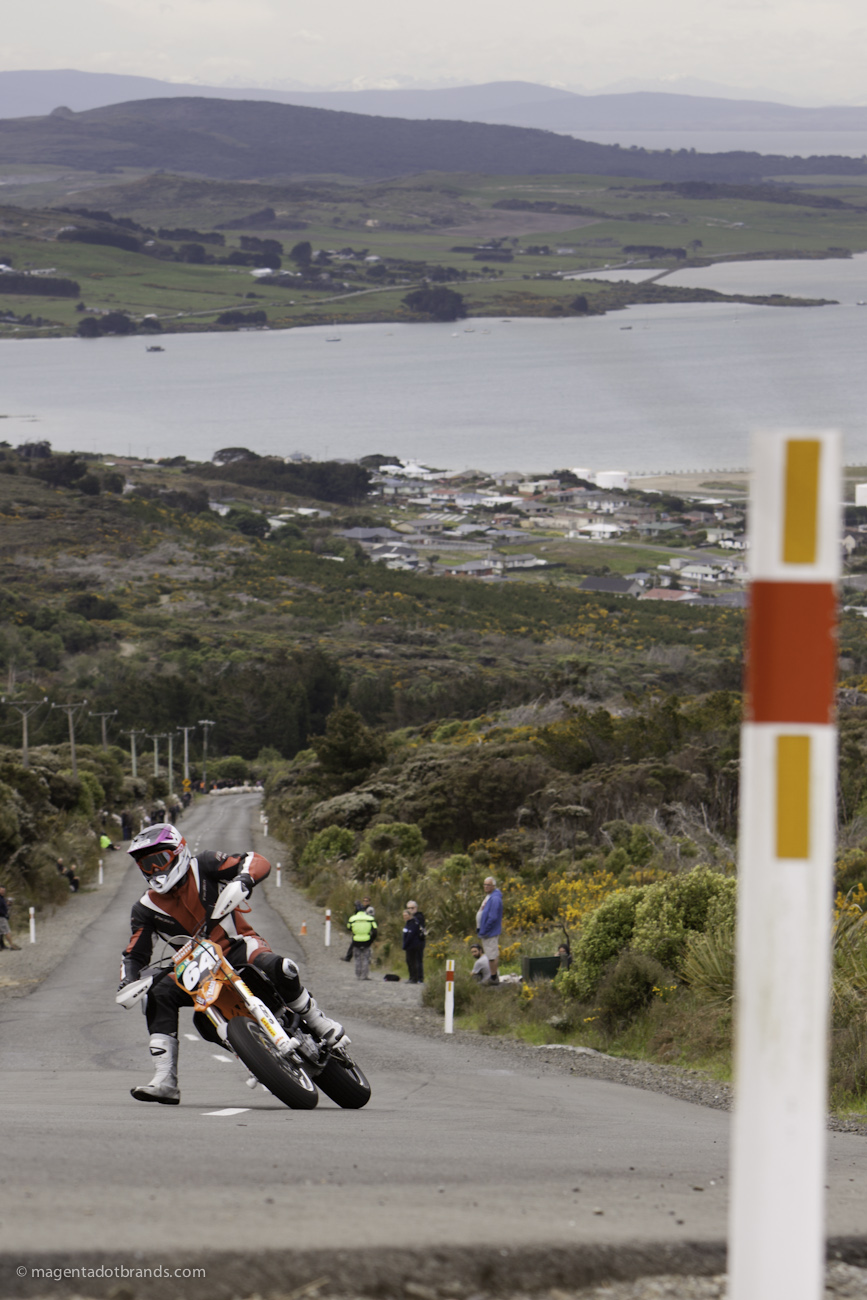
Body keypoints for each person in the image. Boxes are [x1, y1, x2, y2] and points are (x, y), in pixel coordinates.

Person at [119, 822, 346, 1105]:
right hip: (195, 970)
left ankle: (317, 1021)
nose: (154, 870)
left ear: (178, 852)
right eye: (145, 865)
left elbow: (254, 860)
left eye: (158, 860)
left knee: (279, 967)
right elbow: (135, 951)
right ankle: (166, 1079)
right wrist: (129, 978)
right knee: (158, 994)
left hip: (237, 947)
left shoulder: (204, 865)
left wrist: (244, 879)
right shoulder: (145, 907)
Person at [476, 875, 503, 983]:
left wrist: (485, 930)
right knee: (490, 954)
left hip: (489, 932)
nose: (486, 887)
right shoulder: (489, 896)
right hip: (486, 931)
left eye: (488, 885)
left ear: (493, 886)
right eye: (485, 884)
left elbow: (493, 917)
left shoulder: (495, 898)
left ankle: (493, 977)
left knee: (492, 955)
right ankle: (493, 975)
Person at [346, 901, 378, 981]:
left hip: (356, 940)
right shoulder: (370, 919)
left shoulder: (352, 918)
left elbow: (348, 927)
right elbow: (375, 930)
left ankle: (358, 975)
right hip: (366, 940)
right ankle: (364, 975)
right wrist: (371, 939)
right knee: (366, 958)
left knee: (357, 958)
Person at [402, 899, 426, 984]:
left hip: (418, 942)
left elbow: (414, 930)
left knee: (417, 960)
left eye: (412, 908)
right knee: (410, 960)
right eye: (408, 908)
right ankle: (412, 977)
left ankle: (419, 978)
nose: (410, 910)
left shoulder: (418, 917)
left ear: (416, 908)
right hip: (410, 943)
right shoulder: (409, 920)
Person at [0, 886, 19, 950]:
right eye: (1, 890)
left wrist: (7, 904)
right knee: (7, 931)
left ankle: (2, 946)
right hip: (1, 917)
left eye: (3, 891)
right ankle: (11, 945)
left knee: (1, 932)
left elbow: (3, 907)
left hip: (3, 916)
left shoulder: (2, 898)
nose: (2, 892)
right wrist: (4, 914)